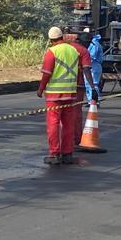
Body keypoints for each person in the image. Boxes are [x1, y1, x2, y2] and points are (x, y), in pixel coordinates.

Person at [37, 26, 91, 165]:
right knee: (68, 124)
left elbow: (47, 74)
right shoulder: (74, 50)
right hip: (71, 94)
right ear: (62, 37)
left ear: (51, 39)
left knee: (53, 124)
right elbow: (83, 68)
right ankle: (67, 154)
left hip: (54, 95)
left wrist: (40, 89)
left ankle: (54, 154)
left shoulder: (52, 51)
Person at [65, 30, 97, 146]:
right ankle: (75, 139)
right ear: (85, 42)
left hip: (61, 87)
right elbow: (86, 70)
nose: (89, 45)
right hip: (77, 86)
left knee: (62, 113)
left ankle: (63, 139)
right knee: (76, 114)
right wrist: (93, 88)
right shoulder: (83, 51)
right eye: (88, 43)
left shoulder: (65, 47)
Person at [85, 27, 104, 104]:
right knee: (88, 84)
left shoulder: (94, 44)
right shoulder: (91, 43)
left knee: (93, 83)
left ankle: (96, 100)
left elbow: (92, 56)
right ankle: (90, 100)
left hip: (94, 66)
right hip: (91, 66)